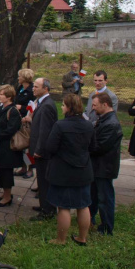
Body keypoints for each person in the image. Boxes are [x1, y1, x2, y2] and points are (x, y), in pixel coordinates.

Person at [43, 94, 95, 245]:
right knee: (83, 205)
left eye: (64, 105)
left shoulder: (60, 125)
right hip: (83, 170)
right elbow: (93, 147)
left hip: (63, 171)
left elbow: (50, 147)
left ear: (70, 107)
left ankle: (61, 239)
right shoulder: (88, 125)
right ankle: (82, 238)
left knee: (63, 207)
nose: (62, 107)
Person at [89, 92, 123, 235]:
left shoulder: (111, 124)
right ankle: (91, 220)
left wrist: (86, 146)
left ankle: (107, 228)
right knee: (94, 196)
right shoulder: (104, 119)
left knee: (105, 198)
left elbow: (100, 147)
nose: (92, 108)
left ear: (105, 104)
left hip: (104, 167)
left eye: (95, 105)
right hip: (98, 166)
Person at [28, 78, 58, 221]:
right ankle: (44, 205)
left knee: (45, 180)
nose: (33, 88)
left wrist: (39, 150)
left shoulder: (46, 106)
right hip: (40, 149)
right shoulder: (41, 103)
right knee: (41, 179)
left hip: (43, 151)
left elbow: (44, 131)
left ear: (45, 88)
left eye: (36, 86)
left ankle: (48, 210)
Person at [0, 85, 23, 208]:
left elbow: (11, 129)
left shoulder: (13, 111)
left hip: (8, 148)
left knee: (6, 172)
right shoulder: (3, 107)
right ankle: (5, 193)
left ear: (9, 97)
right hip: (1, 147)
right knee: (1, 171)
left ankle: (7, 196)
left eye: (2, 94)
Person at [14, 68, 35, 178]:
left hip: (27, 120)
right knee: (21, 144)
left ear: (25, 78)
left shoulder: (31, 90)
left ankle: (30, 168)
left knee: (27, 146)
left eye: (20, 76)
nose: (18, 78)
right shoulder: (20, 88)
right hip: (19, 119)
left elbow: (32, 106)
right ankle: (22, 167)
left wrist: (21, 107)